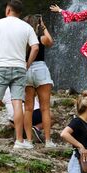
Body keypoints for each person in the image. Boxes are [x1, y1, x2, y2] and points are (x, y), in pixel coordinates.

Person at [0, 0, 39, 148]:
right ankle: (19, 140)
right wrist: (27, 64)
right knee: (17, 102)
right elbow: (36, 47)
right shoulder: (26, 27)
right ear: (20, 12)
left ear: (8, 10)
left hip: (0, 66)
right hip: (19, 67)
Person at [23, 14, 56, 148]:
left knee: (28, 108)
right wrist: (43, 27)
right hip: (41, 70)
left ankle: (29, 141)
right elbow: (50, 41)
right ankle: (48, 141)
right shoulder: (40, 38)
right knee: (45, 108)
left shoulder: (22, 41)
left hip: (26, 69)